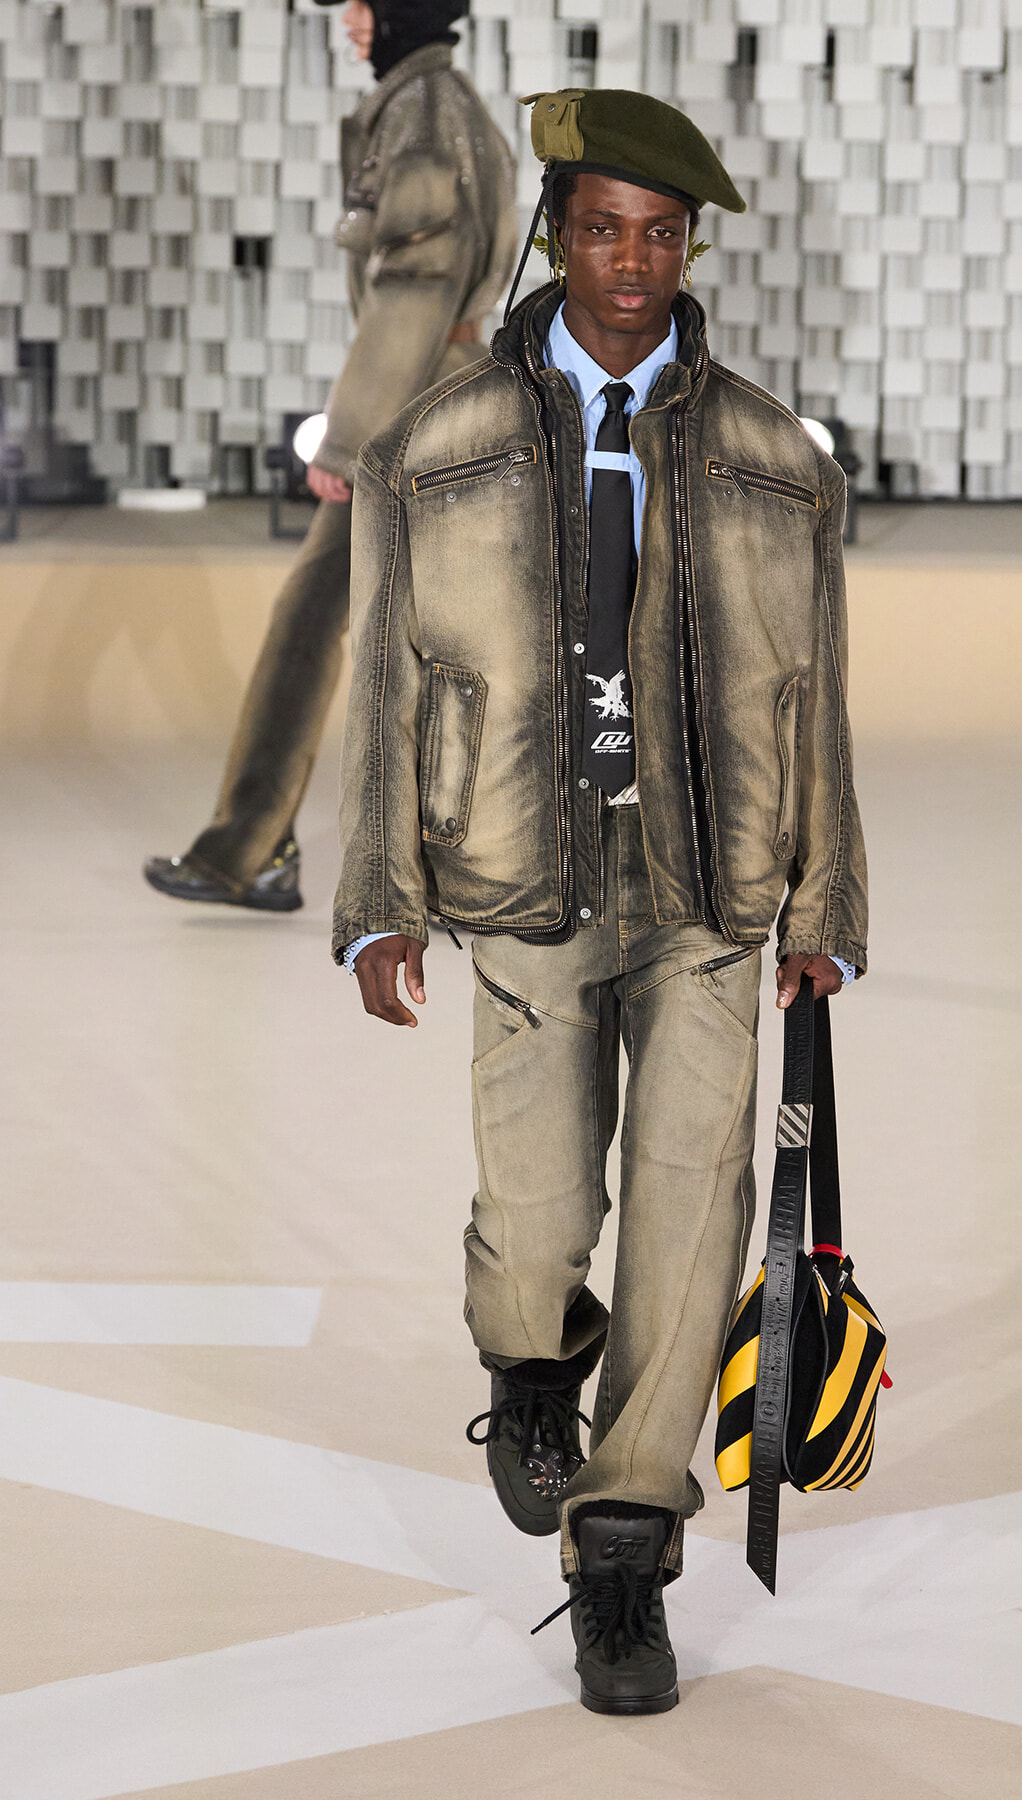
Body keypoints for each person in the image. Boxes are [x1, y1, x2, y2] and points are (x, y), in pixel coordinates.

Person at [335, 87, 868, 1714]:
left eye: (662, 235)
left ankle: (625, 1546)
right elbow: (386, 680)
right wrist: (378, 897)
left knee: (695, 1216)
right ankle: (526, 1350)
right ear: (555, 237)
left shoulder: (778, 462)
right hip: (519, 877)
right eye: (602, 229)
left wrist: (822, 900)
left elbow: (812, 699)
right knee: (542, 1217)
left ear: (690, 248)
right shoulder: (439, 445)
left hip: (712, 888)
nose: (631, 263)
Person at [144, 0, 515, 911]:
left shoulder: (425, 114)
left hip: (416, 407)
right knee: (454, 630)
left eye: (362, 4)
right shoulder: (429, 104)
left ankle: (253, 849)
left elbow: (414, 285)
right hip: (444, 396)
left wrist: (350, 442)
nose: (349, 20)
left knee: (316, 620)